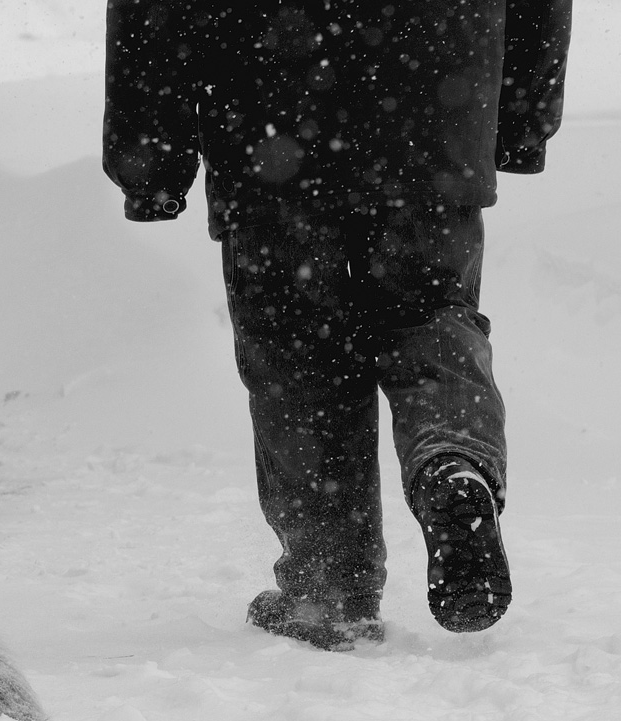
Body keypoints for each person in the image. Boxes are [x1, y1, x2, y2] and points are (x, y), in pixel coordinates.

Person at [103, 1, 572, 650]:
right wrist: (520, 117)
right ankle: (452, 467)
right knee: (430, 316)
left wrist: (150, 161)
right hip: (434, 104)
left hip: (269, 112)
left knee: (299, 353)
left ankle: (329, 593)